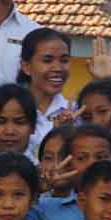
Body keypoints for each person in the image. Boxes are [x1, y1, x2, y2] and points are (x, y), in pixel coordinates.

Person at [18, 27, 76, 155]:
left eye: (64, 60)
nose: (58, 68)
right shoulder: (10, 110)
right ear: (26, 67)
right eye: (47, 60)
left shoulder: (76, 113)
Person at [0, 85, 38, 158]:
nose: (9, 131)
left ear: (33, 127)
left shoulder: (42, 164)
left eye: (19, 122)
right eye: (1, 122)